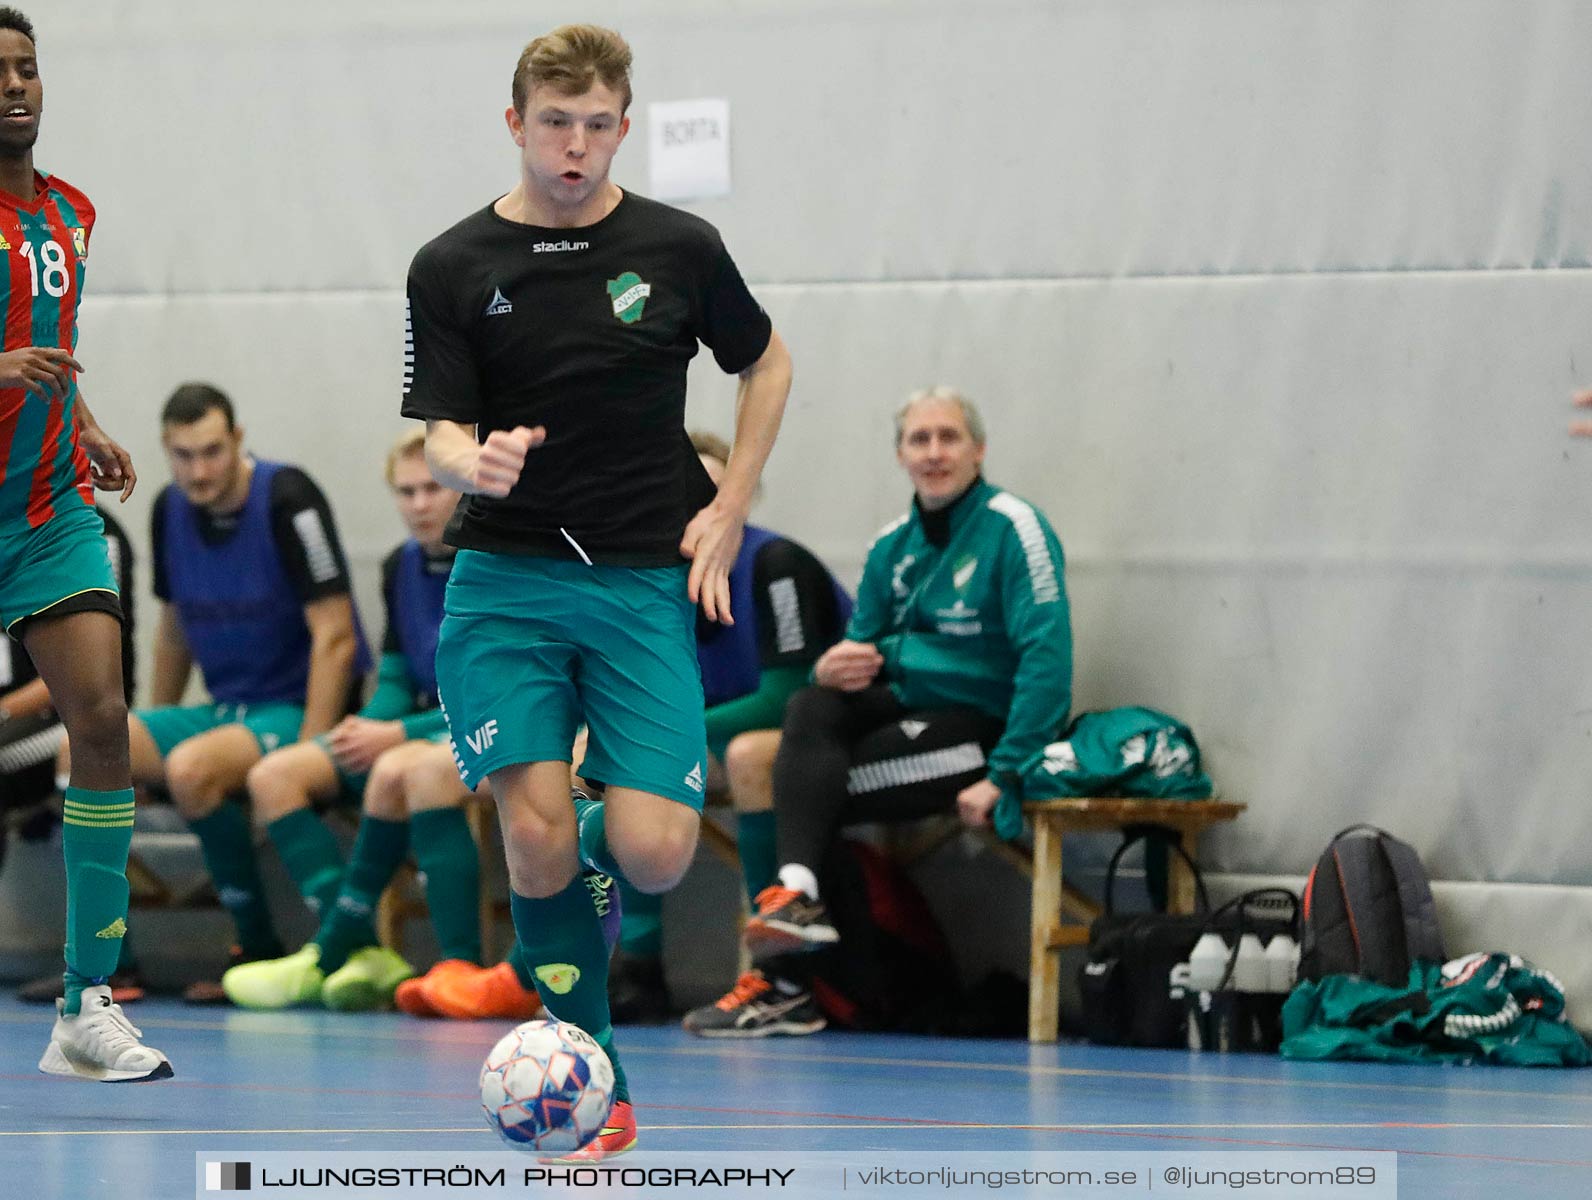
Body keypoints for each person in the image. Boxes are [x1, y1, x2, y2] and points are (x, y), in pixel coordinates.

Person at [401, 23, 790, 1159]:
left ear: (623, 126)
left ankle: (580, 829)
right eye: (553, 124)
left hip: (634, 584)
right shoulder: (454, 263)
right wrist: (467, 464)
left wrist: (729, 503)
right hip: (505, 586)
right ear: (515, 124)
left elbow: (763, 361)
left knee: (656, 851)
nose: (574, 147)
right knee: (529, 844)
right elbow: (438, 429)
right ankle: (596, 1083)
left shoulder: (679, 246)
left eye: (596, 126)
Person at [683, 388, 1071, 1036]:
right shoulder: (894, 543)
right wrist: (829, 666)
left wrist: (1005, 772)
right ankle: (798, 895)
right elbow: (856, 650)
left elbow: (1048, 660)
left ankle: (794, 987)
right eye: (919, 439)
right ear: (900, 455)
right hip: (906, 717)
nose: (934, 451)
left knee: (801, 792)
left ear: (978, 450)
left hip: (980, 729)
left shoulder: (1014, 528)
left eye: (948, 437)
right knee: (814, 702)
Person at [0, 7, 170, 1081]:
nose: (16, 86)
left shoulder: (70, 210)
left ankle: (85, 1004)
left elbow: (49, 348)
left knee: (101, 718)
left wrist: (87, 424)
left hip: (46, 511)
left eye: (27, 68)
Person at [103, 382, 370, 1002]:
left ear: (239, 440)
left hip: (290, 709)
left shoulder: (288, 498)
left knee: (192, 769)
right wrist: (152, 723)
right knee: (87, 753)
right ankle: (110, 962)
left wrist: (310, 750)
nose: (199, 471)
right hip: (223, 712)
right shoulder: (169, 507)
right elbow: (173, 635)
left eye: (212, 451)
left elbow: (335, 637)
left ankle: (257, 943)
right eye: (183, 455)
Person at [219, 429, 466, 1011]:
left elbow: (496, 696)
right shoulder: (398, 566)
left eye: (433, 488)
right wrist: (360, 728)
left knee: (401, 771)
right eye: (405, 492)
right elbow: (399, 680)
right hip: (415, 729)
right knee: (275, 775)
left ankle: (452, 963)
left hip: (483, 733)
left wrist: (398, 733)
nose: (419, 504)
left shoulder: (495, 566)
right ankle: (358, 949)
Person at [607, 431, 850, 1022]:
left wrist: (665, 730)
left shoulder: (776, 565)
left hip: (827, 739)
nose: (702, 507)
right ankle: (631, 968)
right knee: (610, 759)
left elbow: (785, 697)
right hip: (714, 733)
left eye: (717, 492)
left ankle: (779, 975)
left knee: (745, 753)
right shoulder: (650, 579)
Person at [5, 505, 145, 1002]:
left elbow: (94, 678)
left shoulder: (88, 531)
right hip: (12, 719)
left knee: (80, 742)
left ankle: (108, 963)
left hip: (63, 720)